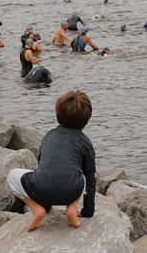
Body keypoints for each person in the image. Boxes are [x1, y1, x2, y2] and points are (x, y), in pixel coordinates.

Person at [6, 91, 96, 232]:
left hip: (41, 190)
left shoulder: (49, 136)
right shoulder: (85, 142)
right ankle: (72, 208)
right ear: (87, 119)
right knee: (83, 174)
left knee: (12, 175)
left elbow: (42, 166)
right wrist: (88, 211)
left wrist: (45, 202)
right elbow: (90, 177)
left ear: (58, 115)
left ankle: (37, 208)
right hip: (71, 191)